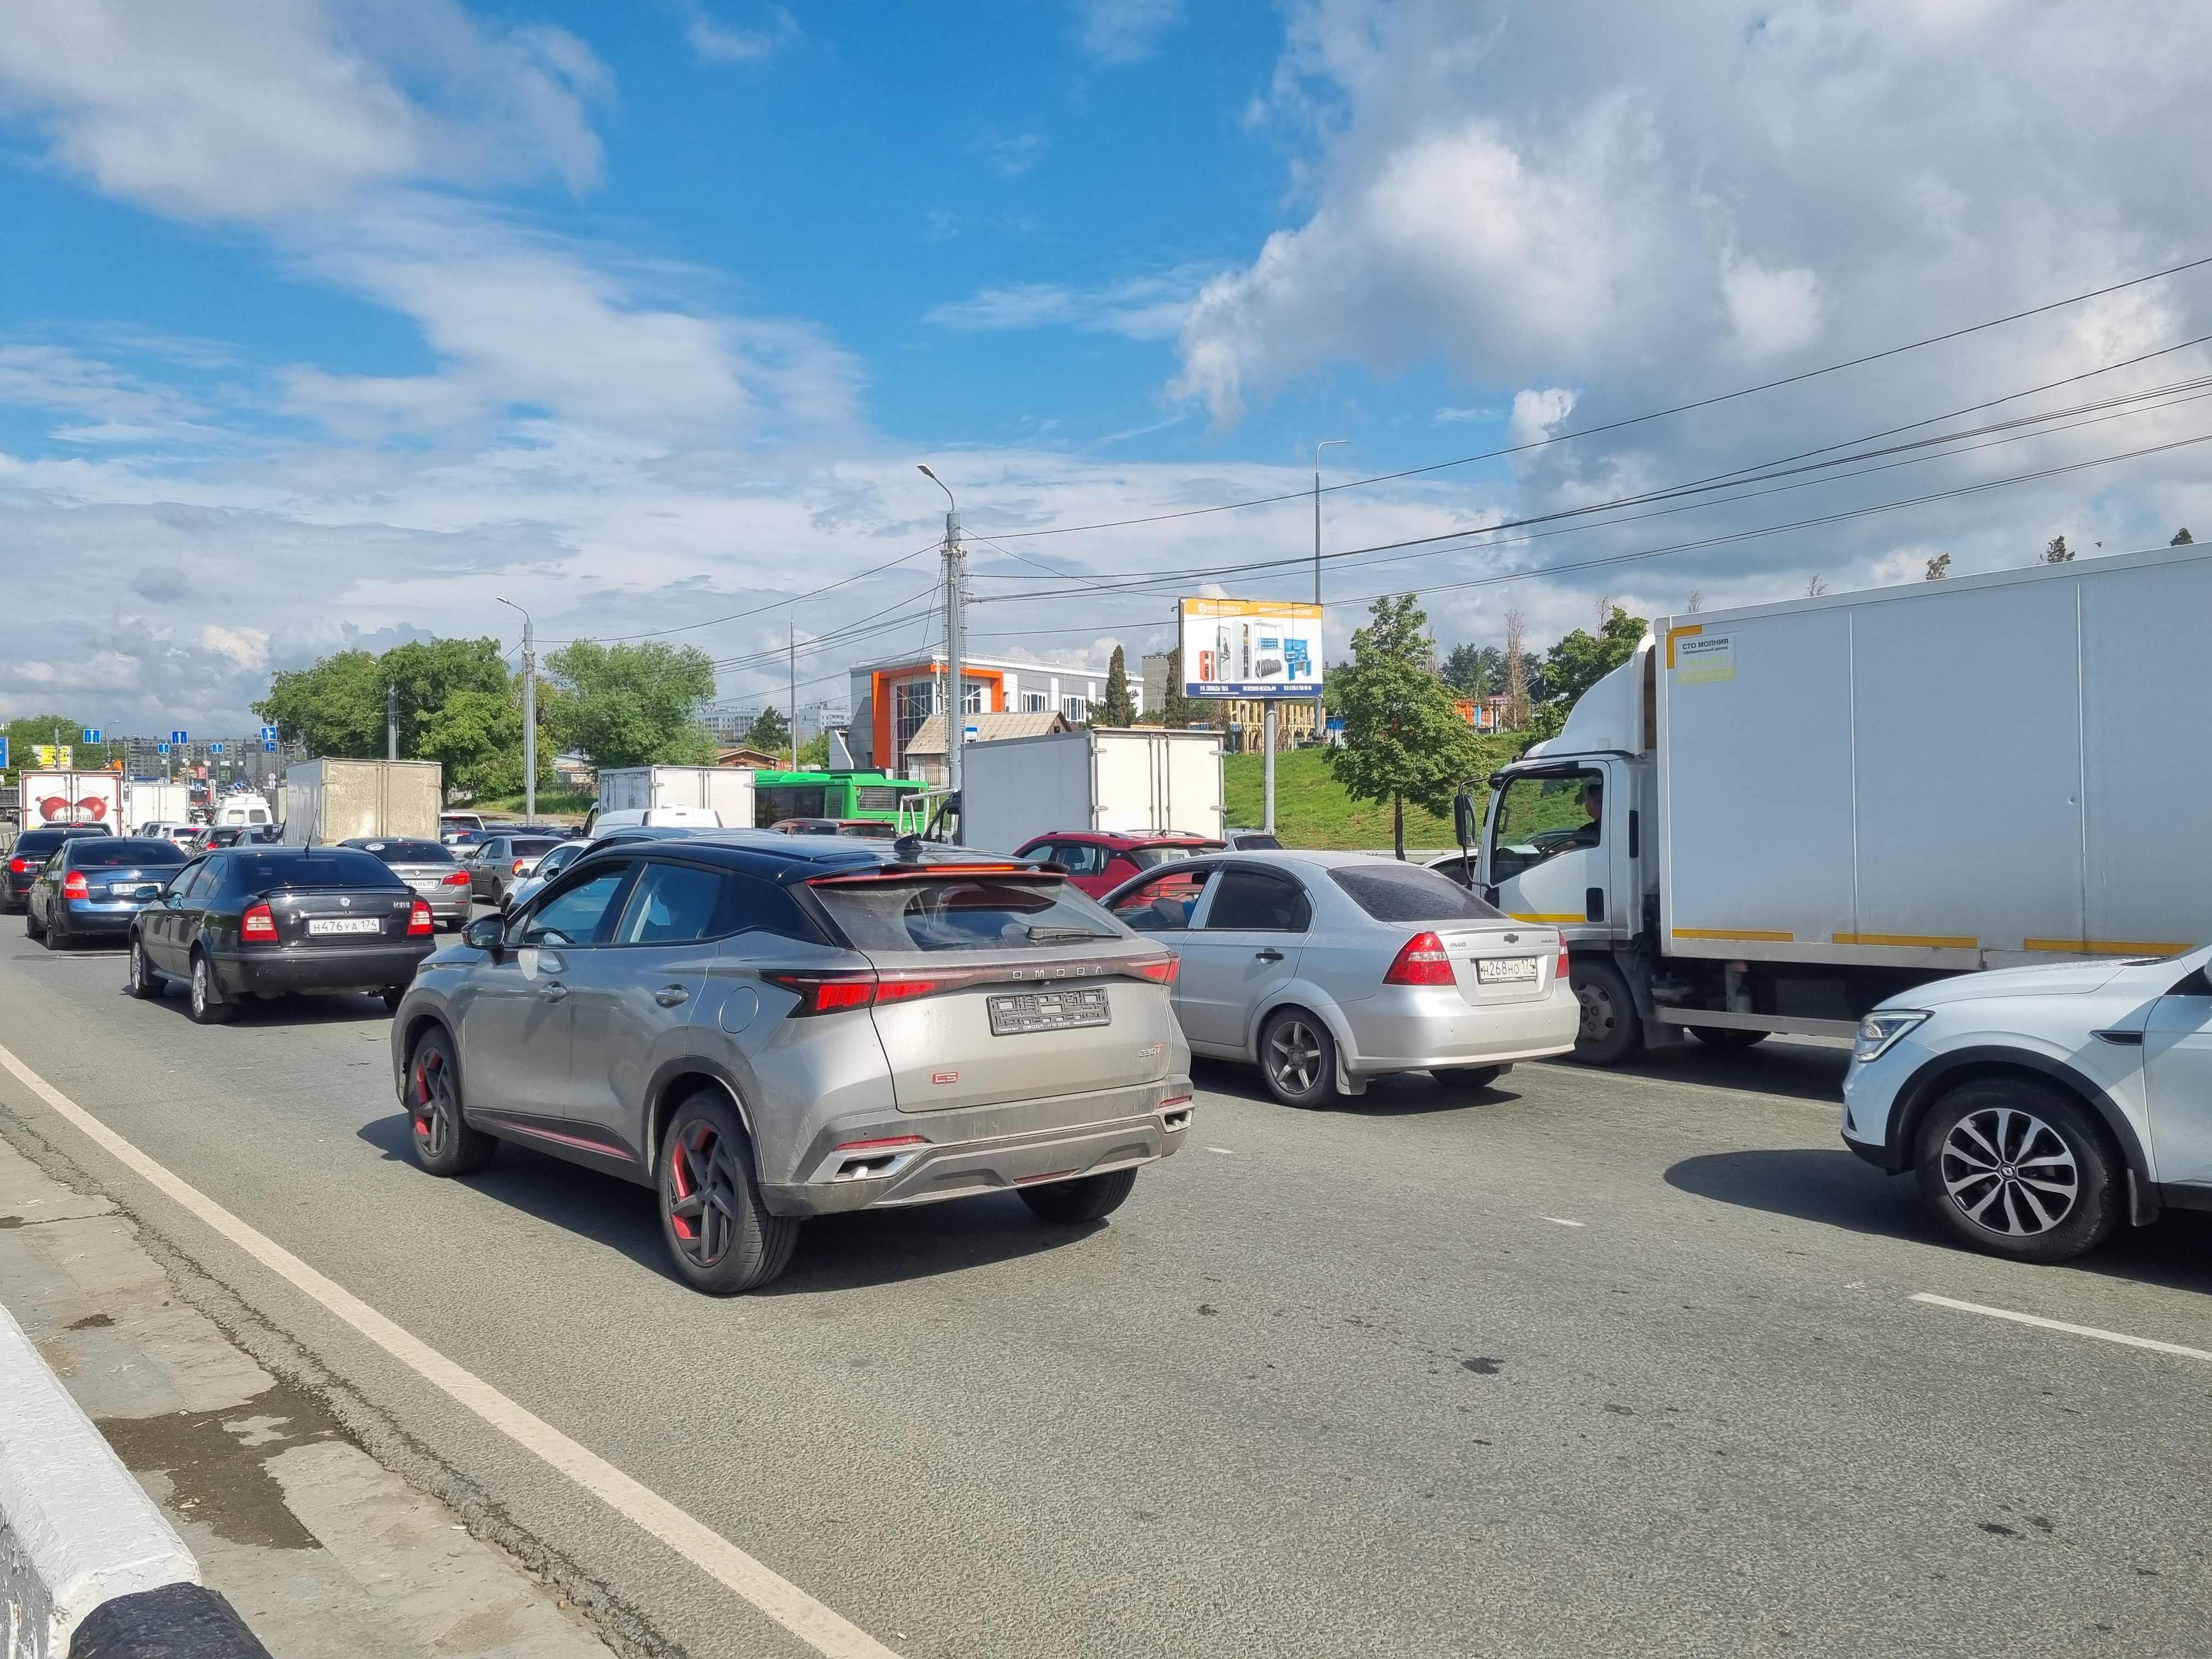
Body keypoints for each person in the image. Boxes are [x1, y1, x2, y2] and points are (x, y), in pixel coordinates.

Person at [1568, 781, 1602, 847]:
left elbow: (1567, 844)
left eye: (1586, 801)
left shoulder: (1592, 829)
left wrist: (1545, 842)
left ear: (1592, 804)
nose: (1585, 804)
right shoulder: (1614, 823)